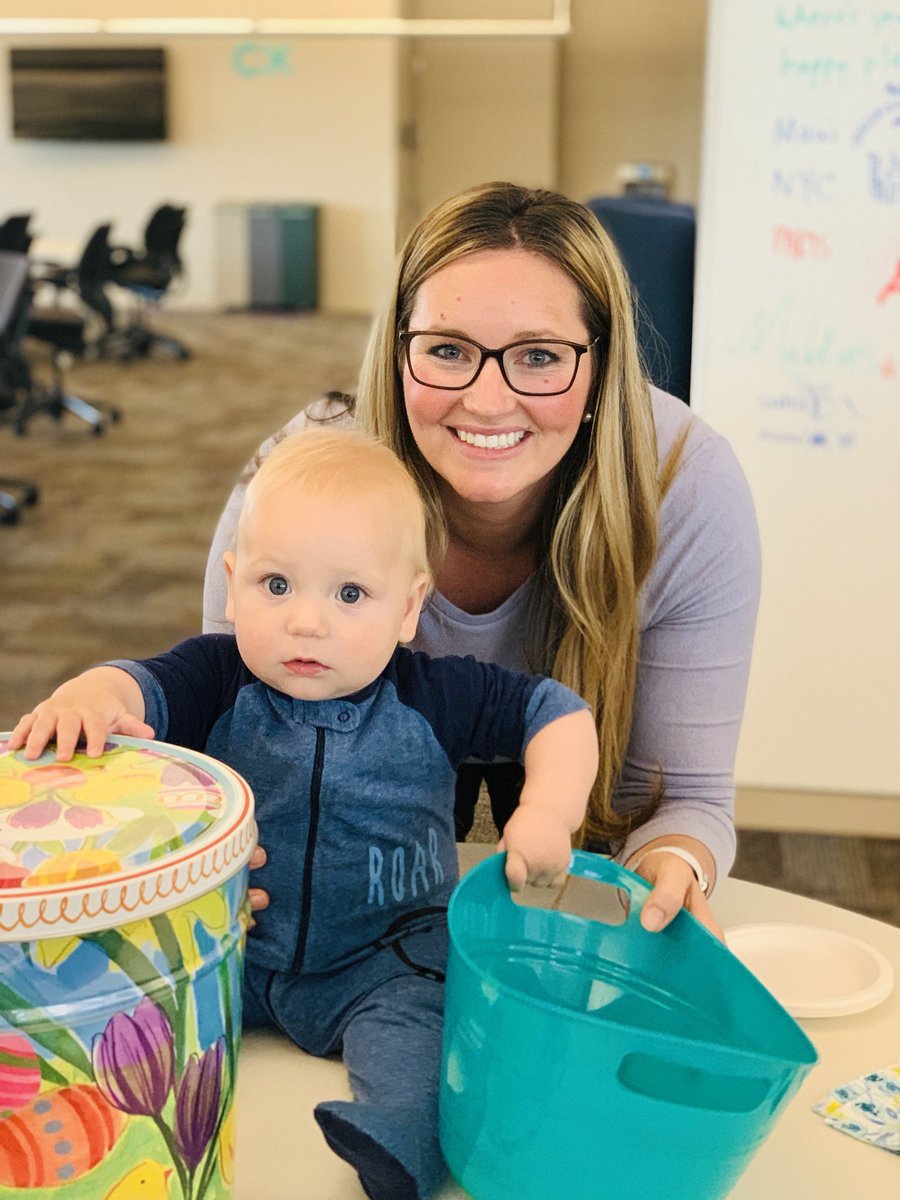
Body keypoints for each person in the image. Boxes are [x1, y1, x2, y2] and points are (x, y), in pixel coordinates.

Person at [10, 426, 597, 1200]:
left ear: (409, 606)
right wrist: (87, 696)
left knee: (425, 1042)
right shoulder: (220, 676)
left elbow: (556, 712)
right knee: (142, 1009)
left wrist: (549, 808)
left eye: (350, 594)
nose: (306, 622)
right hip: (239, 945)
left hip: (386, 958)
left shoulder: (433, 694)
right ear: (232, 583)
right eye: (275, 585)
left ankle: (402, 1144)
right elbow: (135, 686)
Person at [203, 182, 762, 940]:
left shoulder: (683, 487)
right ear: (399, 354)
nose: (489, 400)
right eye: (447, 350)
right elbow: (228, 733)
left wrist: (674, 861)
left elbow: (682, 795)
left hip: (569, 856)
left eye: (538, 356)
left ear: (599, 369)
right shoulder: (301, 481)